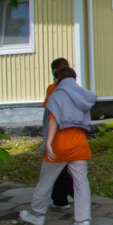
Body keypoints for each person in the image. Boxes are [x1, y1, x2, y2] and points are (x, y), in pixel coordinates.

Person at [20, 67, 96, 225]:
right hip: (80, 144)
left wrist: (48, 143)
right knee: (81, 183)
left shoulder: (57, 95)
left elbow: (53, 120)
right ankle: (83, 221)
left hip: (59, 145)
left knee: (46, 181)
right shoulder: (83, 95)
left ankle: (37, 214)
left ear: (58, 79)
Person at [41, 57, 75, 211]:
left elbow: (50, 113)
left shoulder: (53, 89)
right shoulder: (76, 89)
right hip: (74, 135)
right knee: (69, 170)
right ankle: (67, 198)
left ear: (55, 71)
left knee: (55, 171)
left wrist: (47, 141)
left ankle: (59, 200)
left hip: (58, 136)